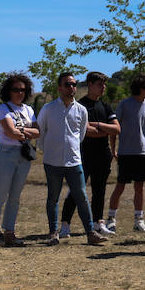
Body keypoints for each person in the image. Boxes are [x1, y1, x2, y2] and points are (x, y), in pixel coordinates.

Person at [38, 73, 108, 247]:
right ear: (59, 88)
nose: (72, 88)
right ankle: (53, 233)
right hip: (52, 162)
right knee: (53, 198)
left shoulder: (81, 110)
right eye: (67, 84)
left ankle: (90, 233)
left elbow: (81, 135)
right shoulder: (48, 108)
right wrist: (47, 151)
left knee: (81, 197)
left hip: (74, 161)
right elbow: (41, 131)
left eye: (74, 84)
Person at [60, 71, 119, 238]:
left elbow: (117, 129)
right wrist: (105, 129)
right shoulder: (79, 106)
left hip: (103, 154)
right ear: (90, 85)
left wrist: (98, 125)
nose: (103, 87)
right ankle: (65, 224)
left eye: (104, 84)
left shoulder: (106, 106)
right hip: (83, 155)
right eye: (100, 84)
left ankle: (98, 223)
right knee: (77, 190)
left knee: (99, 190)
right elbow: (86, 132)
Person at [0, 75, 40, 247]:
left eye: (23, 89)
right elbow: (10, 132)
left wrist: (21, 131)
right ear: (8, 91)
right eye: (16, 89)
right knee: (1, 193)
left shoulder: (29, 110)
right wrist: (26, 132)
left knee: (15, 197)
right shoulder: (3, 108)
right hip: (5, 154)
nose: (19, 93)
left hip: (23, 155)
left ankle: (9, 232)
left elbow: (38, 132)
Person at [104, 73, 145, 234]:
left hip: (142, 153)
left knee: (140, 187)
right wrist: (113, 149)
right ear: (141, 87)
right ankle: (111, 219)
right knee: (120, 186)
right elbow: (114, 129)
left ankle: (139, 221)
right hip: (125, 153)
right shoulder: (124, 104)